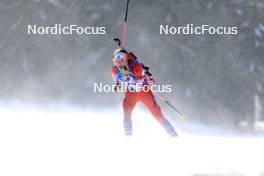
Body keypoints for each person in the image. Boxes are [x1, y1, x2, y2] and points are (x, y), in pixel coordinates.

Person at [111, 48, 177, 137]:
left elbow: (138, 87)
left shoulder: (136, 68)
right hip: (130, 94)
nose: (119, 64)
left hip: (144, 93)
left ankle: (173, 135)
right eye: (117, 61)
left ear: (126, 59)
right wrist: (118, 84)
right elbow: (116, 79)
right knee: (126, 113)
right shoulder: (115, 69)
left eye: (121, 61)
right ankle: (128, 137)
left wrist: (130, 79)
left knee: (157, 114)